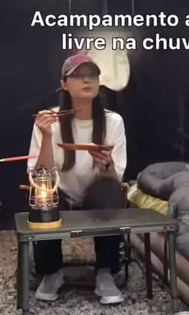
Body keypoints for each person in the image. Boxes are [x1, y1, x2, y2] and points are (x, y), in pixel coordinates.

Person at [27, 53, 127, 305]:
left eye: (92, 75)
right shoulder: (49, 120)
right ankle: (51, 272)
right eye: (79, 76)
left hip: (96, 195)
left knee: (110, 189)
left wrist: (107, 165)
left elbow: (116, 179)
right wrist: (46, 136)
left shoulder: (113, 121)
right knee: (44, 192)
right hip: (61, 193)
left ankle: (105, 272)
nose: (87, 80)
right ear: (64, 84)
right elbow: (40, 176)